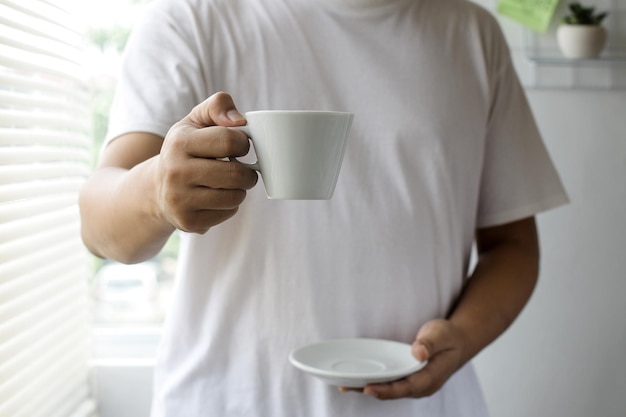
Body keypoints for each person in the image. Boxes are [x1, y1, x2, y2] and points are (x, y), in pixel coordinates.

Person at [79, 0, 568, 416]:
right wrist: (156, 192)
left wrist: (463, 336)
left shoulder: (471, 34)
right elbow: (99, 225)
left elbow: (513, 245)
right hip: (229, 402)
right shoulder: (194, 17)